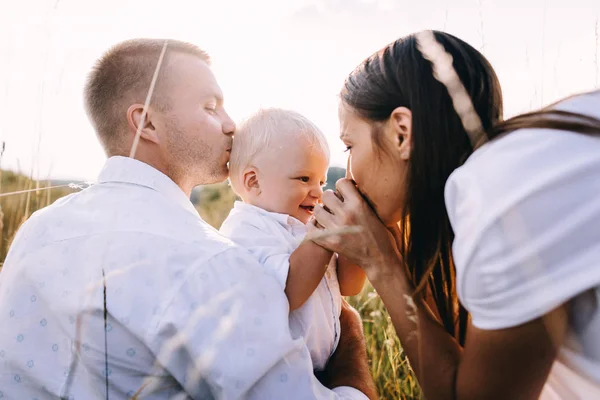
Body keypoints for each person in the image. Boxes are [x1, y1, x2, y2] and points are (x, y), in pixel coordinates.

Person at [0, 39, 376, 399]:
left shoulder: (38, 230)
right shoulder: (213, 264)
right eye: (211, 107)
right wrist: (352, 344)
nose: (231, 125)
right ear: (146, 124)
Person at [311, 30, 600, 399]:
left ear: (402, 132)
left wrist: (382, 263)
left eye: (350, 144)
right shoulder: (533, 154)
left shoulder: (501, 196)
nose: (348, 172)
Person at [220, 108, 366, 373]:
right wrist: (324, 233)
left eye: (321, 181)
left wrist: (349, 238)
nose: (318, 191)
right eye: (304, 178)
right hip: (283, 373)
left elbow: (349, 286)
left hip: (325, 368)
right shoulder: (246, 229)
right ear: (254, 182)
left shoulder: (302, 229)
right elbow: (289, 292)